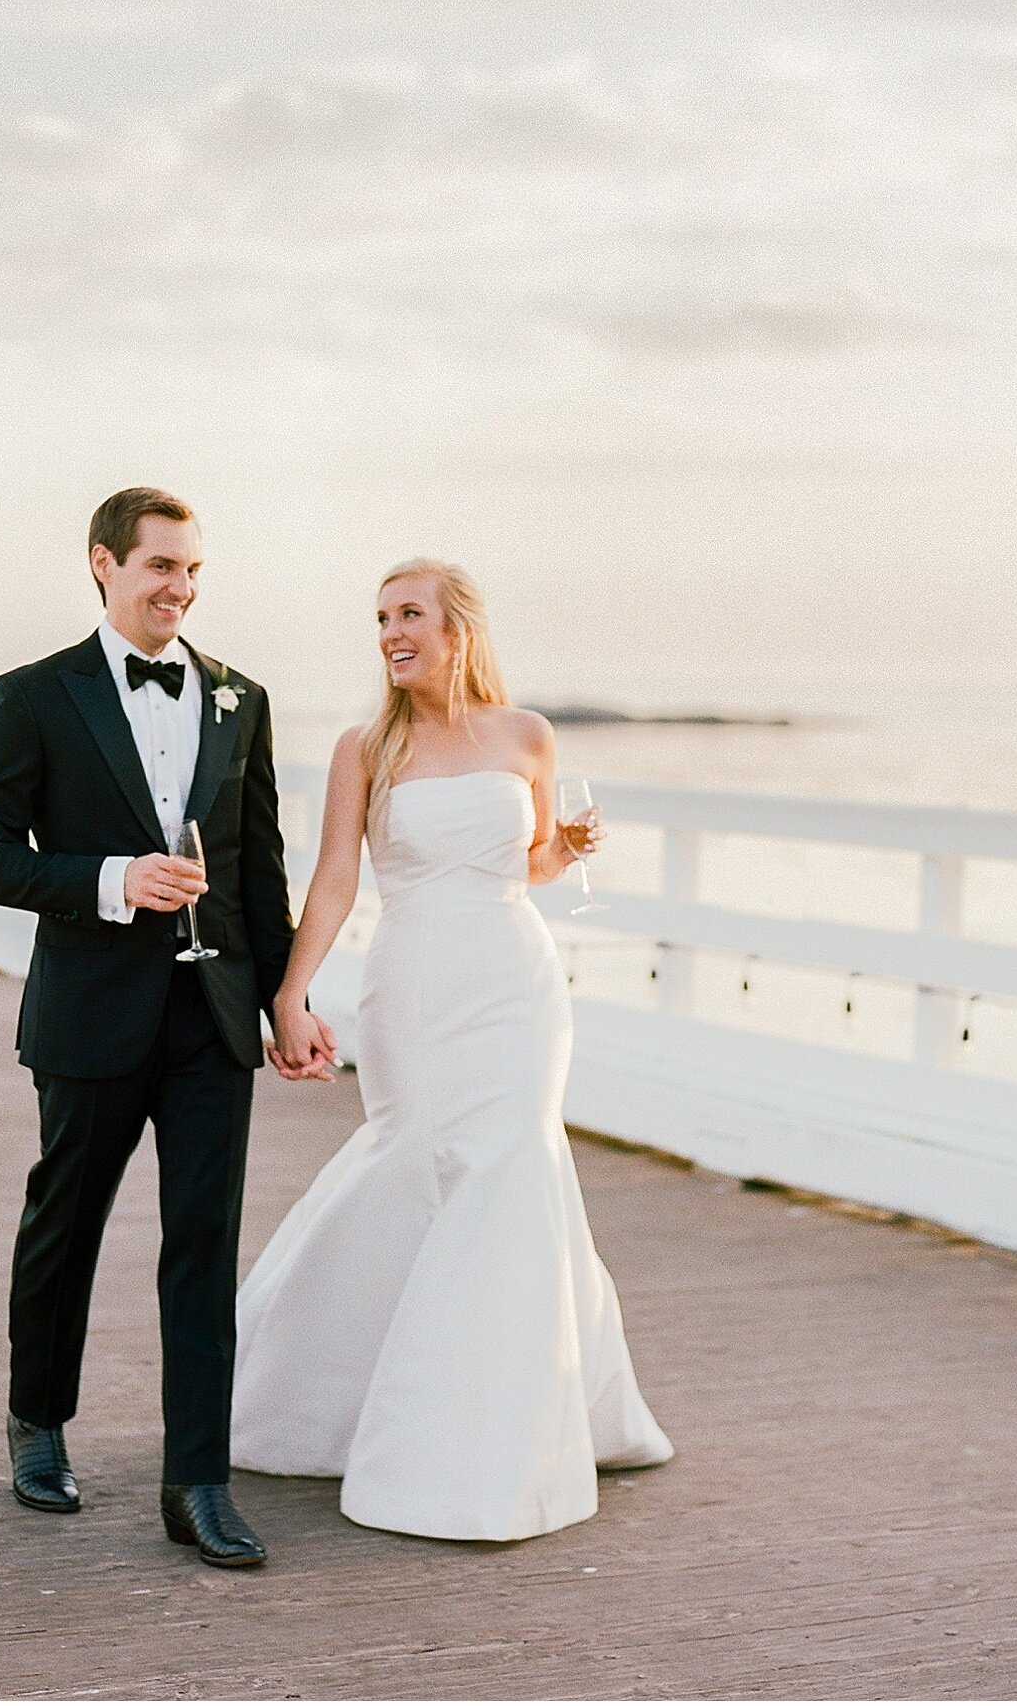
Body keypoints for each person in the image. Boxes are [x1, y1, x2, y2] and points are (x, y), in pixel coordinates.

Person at [230, 557, 673, 1540]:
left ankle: (497, 1437)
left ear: (457, 628)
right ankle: (328, 1388)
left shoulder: (528, 734)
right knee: (416, 1162)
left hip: (517, 986)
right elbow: (338, 877)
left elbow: (529, 866)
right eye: (381, 616)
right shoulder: (365, 747)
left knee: (514, 1167)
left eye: (410, 614)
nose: (391, 631)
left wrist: (569, 846)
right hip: (415, 986)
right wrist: (290, 992)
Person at [0, 486, 336, 1569]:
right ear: (103, 565)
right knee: (64, 1221)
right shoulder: (33, 695)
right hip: (91, 1014)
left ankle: (197, 1483)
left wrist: (285, 1003)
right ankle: (39, 1422)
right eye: (161, 565)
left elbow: (260, 874)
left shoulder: (239, 698)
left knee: (204, 1249)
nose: (181, 587)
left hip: (213, 1020)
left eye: (194, 570)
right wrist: (117, 879)